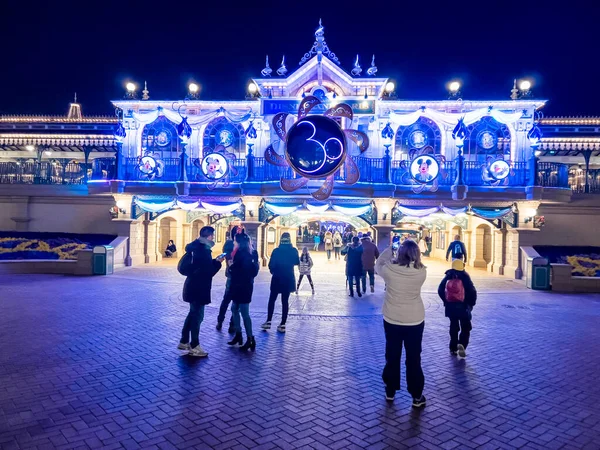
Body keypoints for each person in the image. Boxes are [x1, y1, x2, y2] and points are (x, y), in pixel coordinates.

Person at [375, 240, 427, 408]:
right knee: (413, 358)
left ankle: (390, 390)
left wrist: (391, 248)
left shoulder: (390, 271)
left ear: (400, 253)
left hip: (392, 319)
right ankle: (417, 395)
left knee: (392, 355)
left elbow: (379, 264)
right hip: (415, 320)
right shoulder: (421, 273)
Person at [178, 226, 224, 357]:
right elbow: (208, 272)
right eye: (213, 236)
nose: (213, 238)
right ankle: (194, 345)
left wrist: (213, 261)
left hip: (192, 285)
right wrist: (218, 263)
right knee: (198, 316)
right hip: (199, 287)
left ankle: (184, 340)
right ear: (209, 236)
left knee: (193, 313)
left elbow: (203, 267)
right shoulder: (204, 250)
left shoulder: (195, 247)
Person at [227, 232, 260, 351]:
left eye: (235, 241)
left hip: (240, 286)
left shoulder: (240, 254)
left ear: (239, 242)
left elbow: (237, 270)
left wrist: (231, 266)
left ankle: (250, 338)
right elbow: (254, 271)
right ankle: (239, 334)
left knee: (243, 312)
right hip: (246, 285)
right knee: (235, 309)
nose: (234, 242)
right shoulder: (253, 253)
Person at [437, 259, 477, 358]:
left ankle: (453, 348)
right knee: (466, 327)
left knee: (453, 326)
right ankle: (462, 344)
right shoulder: (465, 277)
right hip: (463, 307)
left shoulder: (448, 276)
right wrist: (471, 304)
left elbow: (440, 289)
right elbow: (472, 291)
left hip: (451, 307)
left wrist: (446, 301)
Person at [262, 232, 300, 333]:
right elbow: (297, 262)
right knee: (285, 301)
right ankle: (282, 324)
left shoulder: (276, 251)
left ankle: (268, 321)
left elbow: (271, 264)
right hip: (288, 278)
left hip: (277, 277)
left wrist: (273, 271)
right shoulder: (293, 250)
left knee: (272, 299)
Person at [216, 226, 240, 333]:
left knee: (226, 300)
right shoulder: (237, 245)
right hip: (236, 276)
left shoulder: (228, 244)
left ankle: (221, 321)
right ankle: (231, 324)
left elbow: (226, 256)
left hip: (230, 275)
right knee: (235, 301)